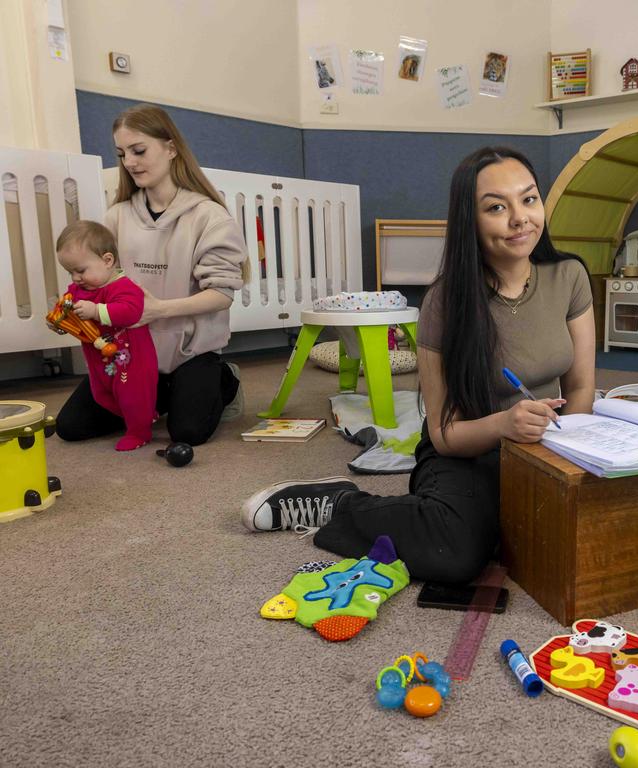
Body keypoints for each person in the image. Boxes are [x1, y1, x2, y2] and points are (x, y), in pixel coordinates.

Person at [242, 146, 596, 583]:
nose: (521, 218)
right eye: (496, 207)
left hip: (546, 448)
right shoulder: (445, 301)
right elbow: (445, 434)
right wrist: (504, 425)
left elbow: (581, 388)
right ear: (470, 220)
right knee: (454, 552)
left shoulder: (570, 276)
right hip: (468, 451)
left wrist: (566, 458)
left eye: (529, 199)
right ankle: (342, 504)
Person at [56, 104, 247, 447]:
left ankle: (224, 380)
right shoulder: (116, 217)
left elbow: (222, 294)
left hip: (189, 353)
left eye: (139, 150)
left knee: (188, 432)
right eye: (122, 153)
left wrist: (157, 309)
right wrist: (71, 310)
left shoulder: (208, 217)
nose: (129, 162)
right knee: (71, 426)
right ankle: (159, 397)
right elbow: (96, 280)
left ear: (171, 149)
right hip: (131, 353)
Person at [53, 220, 158, 451]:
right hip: (100, 360)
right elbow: (70, 307)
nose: (75, 278)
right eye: (70, 272)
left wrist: (96, 311)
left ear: (107, 260)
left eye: (80, 270)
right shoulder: (80, 289)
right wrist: (62, 320)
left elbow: (131, 311)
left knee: (132, 396)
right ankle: (142, 417)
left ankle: (140, 431)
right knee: (102, 393)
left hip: (131, 360)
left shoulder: (123, 286)